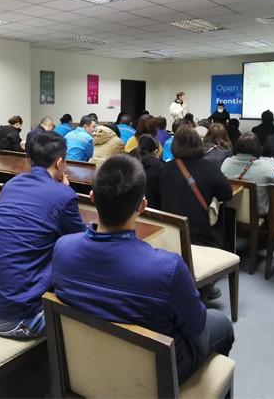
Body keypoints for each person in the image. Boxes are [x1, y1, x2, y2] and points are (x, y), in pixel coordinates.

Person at [52, 154, 234, 383]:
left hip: (87, 364)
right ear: (143, 206)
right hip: (157, 375)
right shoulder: (169, 269)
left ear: (92, 198)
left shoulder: (62, 248)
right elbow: (195, 326)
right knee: (222, 324)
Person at [0, 132, 86, 338]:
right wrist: (66, 190)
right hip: (15, 319)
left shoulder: (12, 184)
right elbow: (82, 244)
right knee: (76, 271)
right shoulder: (64, 195)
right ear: (60, 162)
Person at [160, 126, 233, 253]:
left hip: (171, 235)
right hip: (200, 237)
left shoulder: (165, 169)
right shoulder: (209, 167)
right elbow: (227, 194)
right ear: (199, 143)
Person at [221, 132, 274, 217]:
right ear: (258, 148)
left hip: (231, 214)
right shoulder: (266, 167)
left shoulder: (226, 163)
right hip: (258, 215)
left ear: (237, 146)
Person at [130, 134, 164, 209]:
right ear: (156, 151)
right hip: (152, 209)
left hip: (129, 208)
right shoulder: (159, 166)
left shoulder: (128, 159)